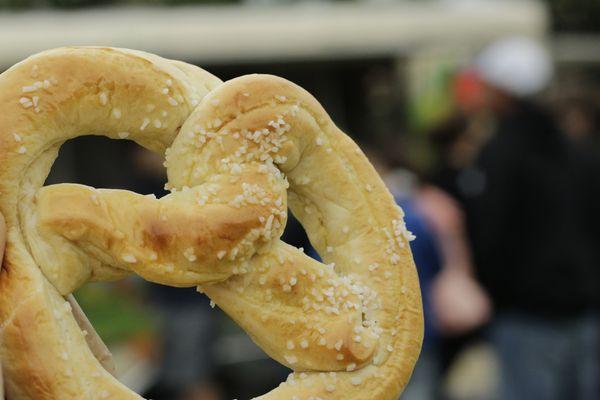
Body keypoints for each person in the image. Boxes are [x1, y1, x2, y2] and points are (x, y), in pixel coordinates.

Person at [465, 37, 600, 400]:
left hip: (526, 317)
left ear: (502, 90)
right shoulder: (577, 149)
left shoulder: (499, 154)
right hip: (585, 311)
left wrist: (495, 289)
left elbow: (487, 233)